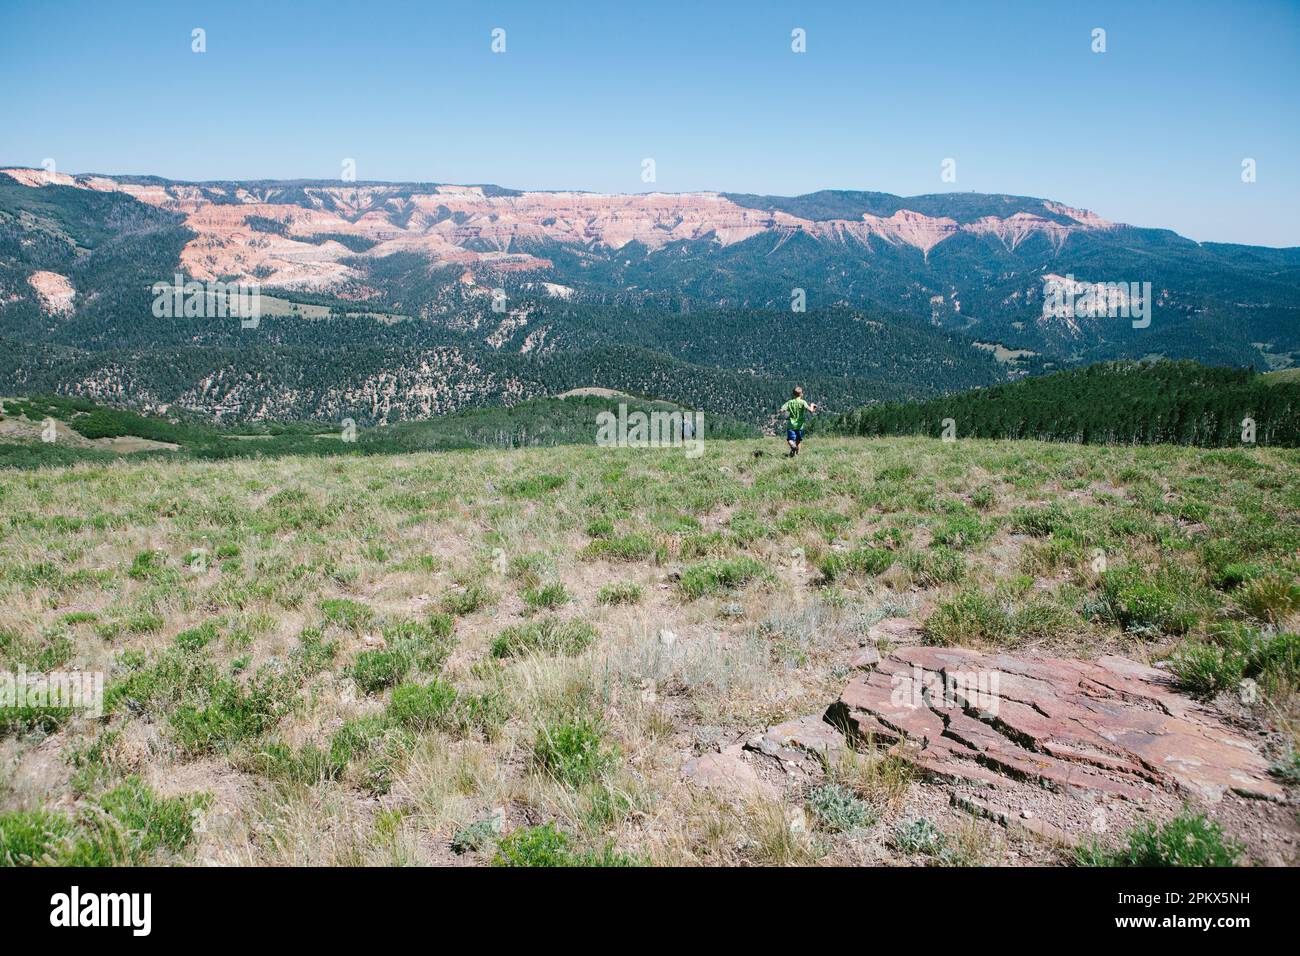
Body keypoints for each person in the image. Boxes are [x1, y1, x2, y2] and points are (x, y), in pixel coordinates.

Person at [779, 387, 816, 457]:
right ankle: (797, 454)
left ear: (793, 394)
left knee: (790, 439)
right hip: (799, 426)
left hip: (791, 425)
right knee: (798, 441)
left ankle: (793, 446)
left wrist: (781, 410)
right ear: (801, 394)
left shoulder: (790, 402)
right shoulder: (803, 402)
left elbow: (782, 410)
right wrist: (812, 405)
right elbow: (811, 410)